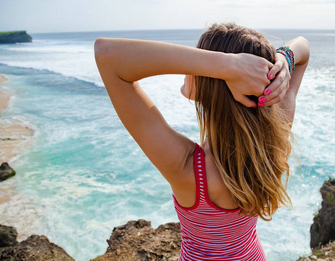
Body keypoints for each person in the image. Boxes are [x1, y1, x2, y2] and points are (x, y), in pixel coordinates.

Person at [94, 23, 310, 260]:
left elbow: (108, 55)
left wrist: (228, 66)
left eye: (203, 57)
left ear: (214, 78)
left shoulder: (188, 168)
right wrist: (284, 60)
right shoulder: (272, 141)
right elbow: (303, 48)